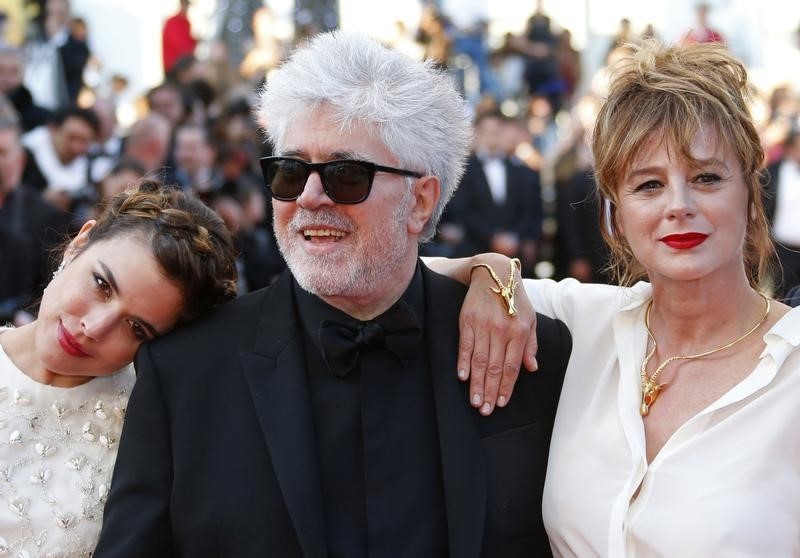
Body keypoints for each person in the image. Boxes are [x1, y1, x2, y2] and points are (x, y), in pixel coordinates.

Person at [94, 31, 571, 557]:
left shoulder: (531, 354)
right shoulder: (186, 372)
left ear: (421, 201)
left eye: (347, 175)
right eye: (290, 172)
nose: (310, 197)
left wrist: (497, 272)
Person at [437, 41, 799, 556]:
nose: (679, 205)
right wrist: (488, 270)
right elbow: (400, 275)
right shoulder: (582, 323)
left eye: (707, 178)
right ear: (616, 212)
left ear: (749, 189)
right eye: (649, 185)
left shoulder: (791, 370)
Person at [0, 181, 237, 556]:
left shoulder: (150, 439)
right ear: (80, 244)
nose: (93, 328)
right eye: (101, 284)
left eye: (136, 327)